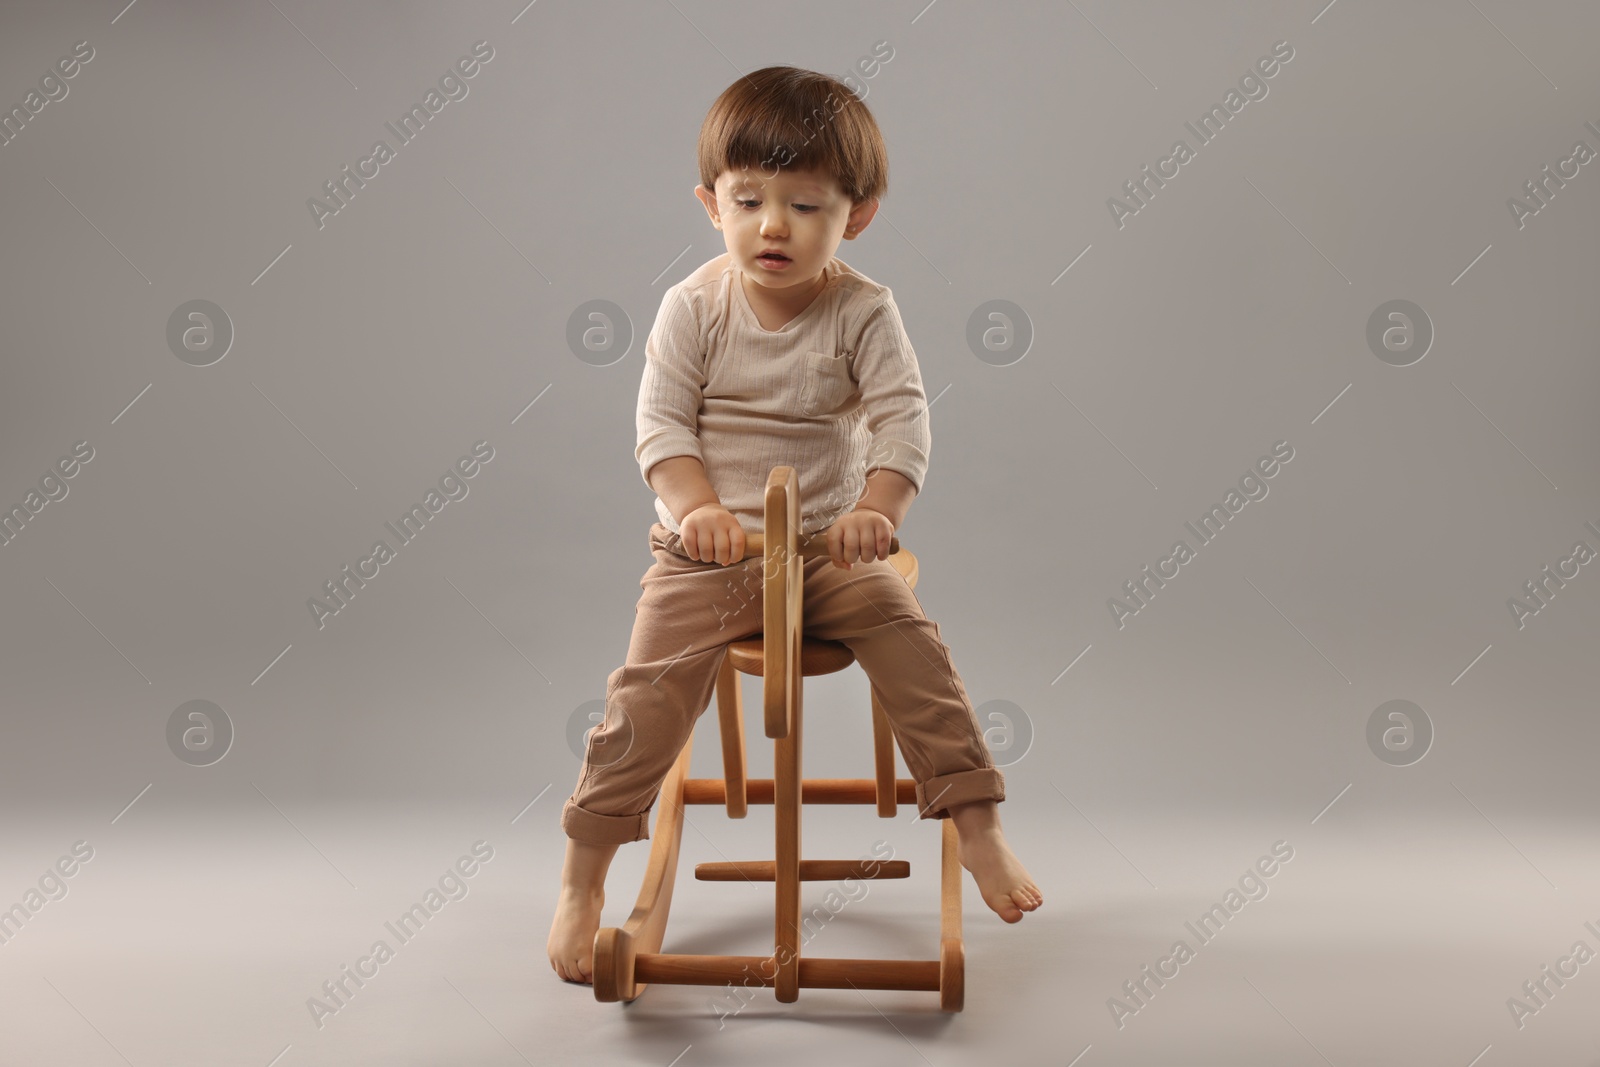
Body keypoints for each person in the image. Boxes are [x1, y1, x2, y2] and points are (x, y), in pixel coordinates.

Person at [548, 65, 1041, 985]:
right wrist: (696, 509)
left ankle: (979, 823)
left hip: (824, 547)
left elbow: (903, 422)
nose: (774, 226)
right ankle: (583, 876)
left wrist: (875, 512)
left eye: (806, 205)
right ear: (711, 204)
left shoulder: (864, 310)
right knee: (643, 695)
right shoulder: (693, 307)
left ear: (857, 215)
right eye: (750, 200)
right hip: (712, 555)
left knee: (913, 644)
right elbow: (662, 428)